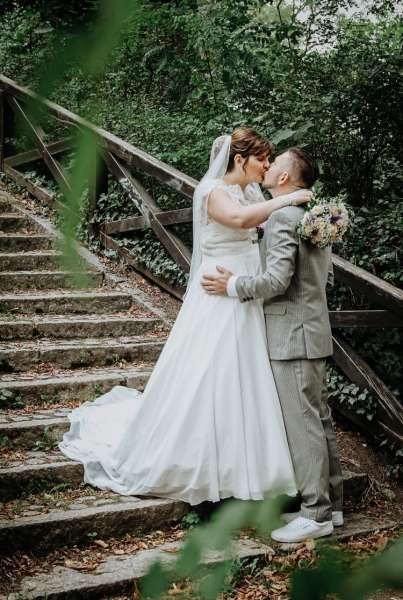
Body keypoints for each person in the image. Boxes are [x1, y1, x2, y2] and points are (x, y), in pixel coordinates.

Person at [59, 128, 310, 506]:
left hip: (242, 287)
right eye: (262, 159)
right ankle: (195, 460)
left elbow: (259, 226)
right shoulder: (212, 191)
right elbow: (240, 220)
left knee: (244, 374)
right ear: (239, 159)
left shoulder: (251, 192)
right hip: (218, 289)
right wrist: (288, 198)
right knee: (210, 371)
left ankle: (245, 465)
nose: (267, 165)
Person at [202, 147, 344, 542]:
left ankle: (315, 514)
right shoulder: (311, 214)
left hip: (292, 334)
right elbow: (322, 277)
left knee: (303, 425)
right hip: (312, 330)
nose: (268, 166)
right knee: (319, 420)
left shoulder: (283, 216)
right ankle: (334, 507)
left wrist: (233, 284)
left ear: (283, 178)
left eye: (275, 162)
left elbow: (277, 281)